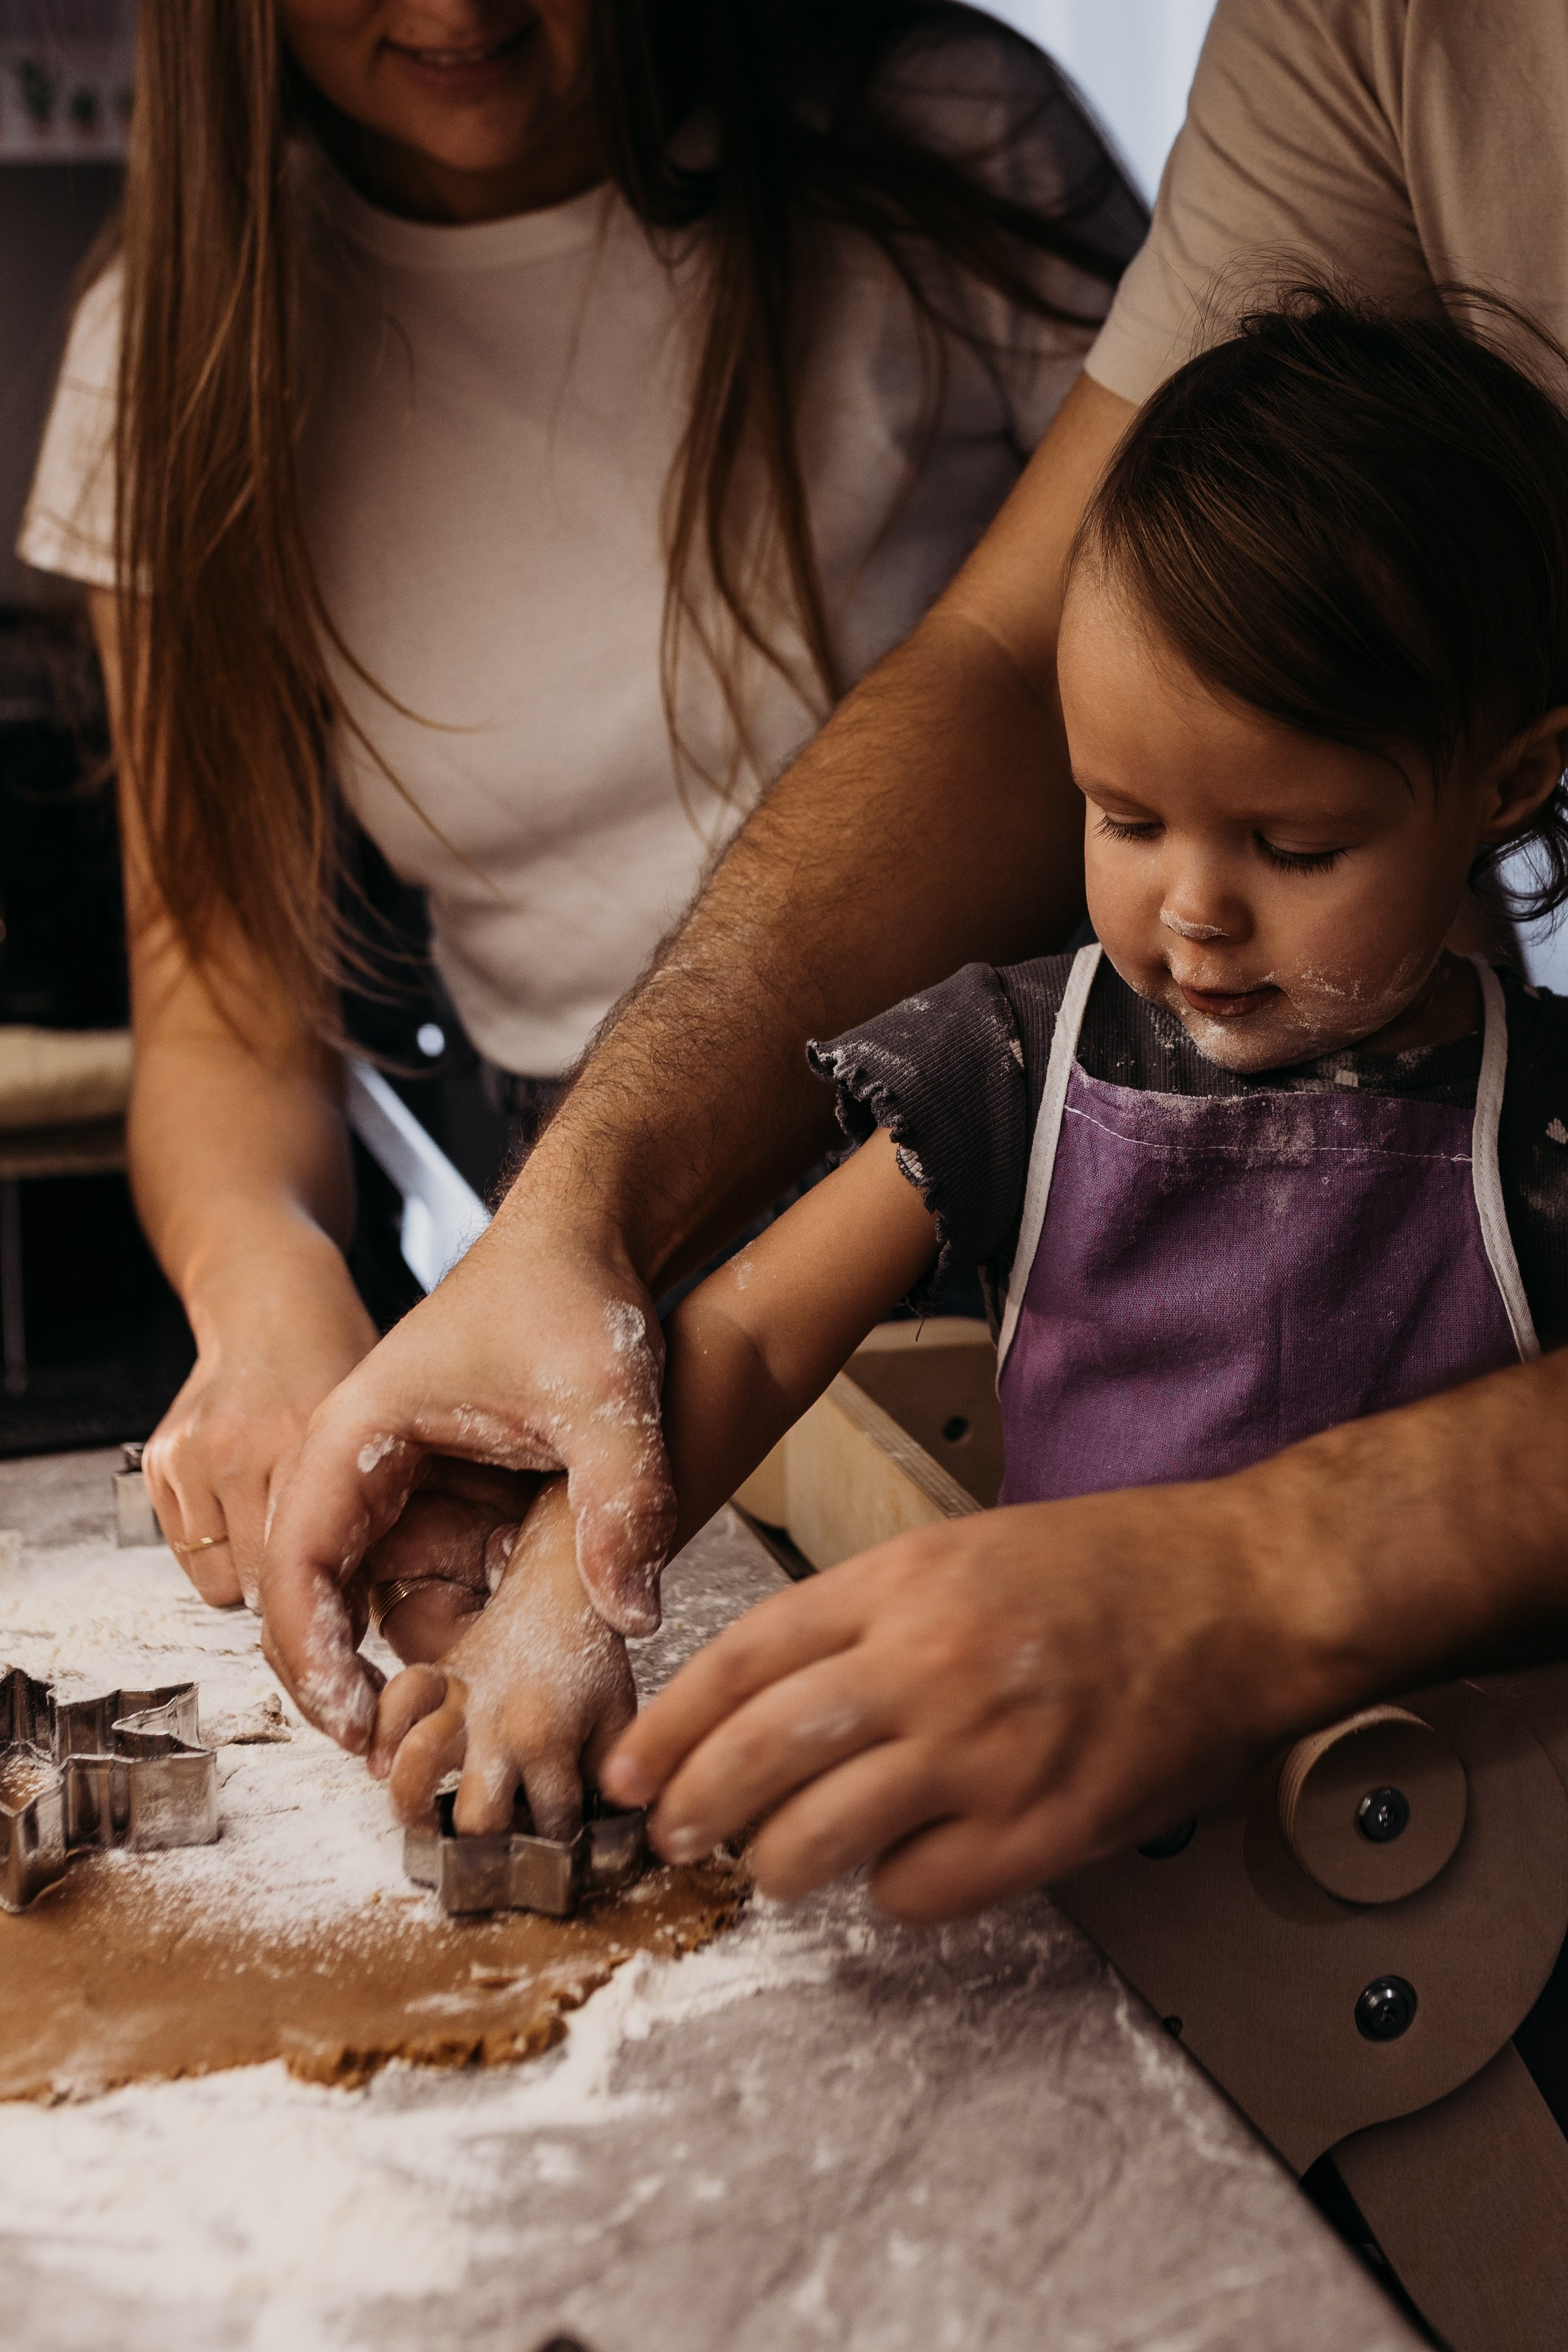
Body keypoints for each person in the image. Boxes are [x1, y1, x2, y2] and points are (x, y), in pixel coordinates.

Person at [260, 0, 1568, 1920]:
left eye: (1293, 847)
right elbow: (750, 1333)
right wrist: (554, 1608)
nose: (1194, 911)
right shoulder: (1019, 1057)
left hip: (1470, 1897)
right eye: (1122, 818)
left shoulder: (1535, 1119)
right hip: (1096, 1889)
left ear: (1509, 785)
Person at [17, 0, 1142, 1646]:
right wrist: (264, 1285)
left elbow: (1257, 706)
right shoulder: (173, 340)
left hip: (1045, 1174)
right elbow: (221, 1002)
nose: (456, 8)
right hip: (580, 1265)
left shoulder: (946, 139)